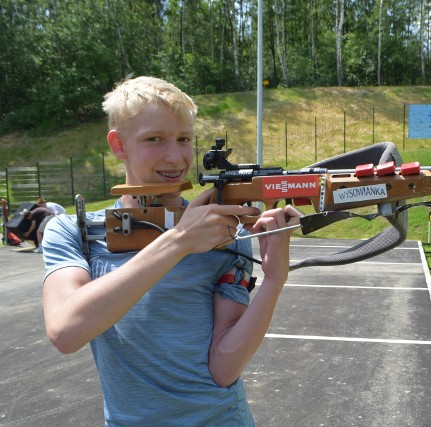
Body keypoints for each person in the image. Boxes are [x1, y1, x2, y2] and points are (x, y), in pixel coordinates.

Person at [41, 76, 300, 425]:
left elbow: (223, 369)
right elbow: (66, 331)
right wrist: (178, 241)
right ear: (119, 145)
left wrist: (274, 280)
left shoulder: (222, 230)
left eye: (184, 139)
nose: (176, 156)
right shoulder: (73, 231)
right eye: (155, 139)